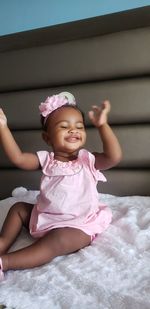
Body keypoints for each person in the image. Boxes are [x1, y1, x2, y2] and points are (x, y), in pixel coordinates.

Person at [0, 92, 122, 280]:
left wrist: (102, 125)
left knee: (58, 240)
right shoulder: (46, 160)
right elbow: (18, 159)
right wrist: (3, 128)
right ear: (47, 138)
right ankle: (3, 242)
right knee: (18, 208)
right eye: (64, 127)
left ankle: (6, 262)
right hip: (46, 216)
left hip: (78, 224)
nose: (73, 130)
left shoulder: (87, 160)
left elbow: (114, 157)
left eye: (79, 127)